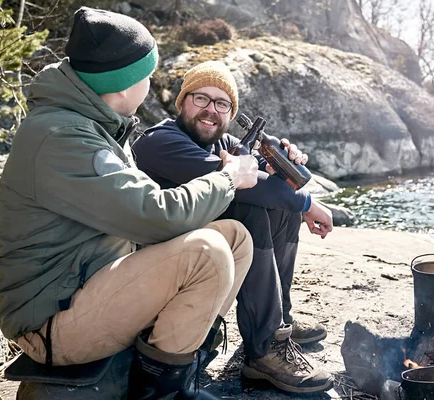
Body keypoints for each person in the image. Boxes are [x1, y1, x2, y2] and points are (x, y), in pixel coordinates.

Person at [0, 8, 260, 400]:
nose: (150, 82)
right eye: (146, 75)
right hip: (51, 319)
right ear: (122, 85)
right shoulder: (63, 137)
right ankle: (160, 394)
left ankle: (181, 367)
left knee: (235, 239)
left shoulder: (94, 123)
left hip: (89, 282)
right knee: (207, 252)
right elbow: (156, 215)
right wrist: (229, 178)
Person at [131, 61, 335, 394]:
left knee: (277, 209)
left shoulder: (223, 145)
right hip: (155, 267)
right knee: (244, 208)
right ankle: (265, 348)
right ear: (182, 101)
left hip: (198, 255)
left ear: (230, 112)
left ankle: (277, 321)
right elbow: (256, 189)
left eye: (221, 103)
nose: (210, 110)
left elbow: (288, 188)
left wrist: (284, 161)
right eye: (201, 99)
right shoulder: (162, 142)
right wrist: (309, 204)